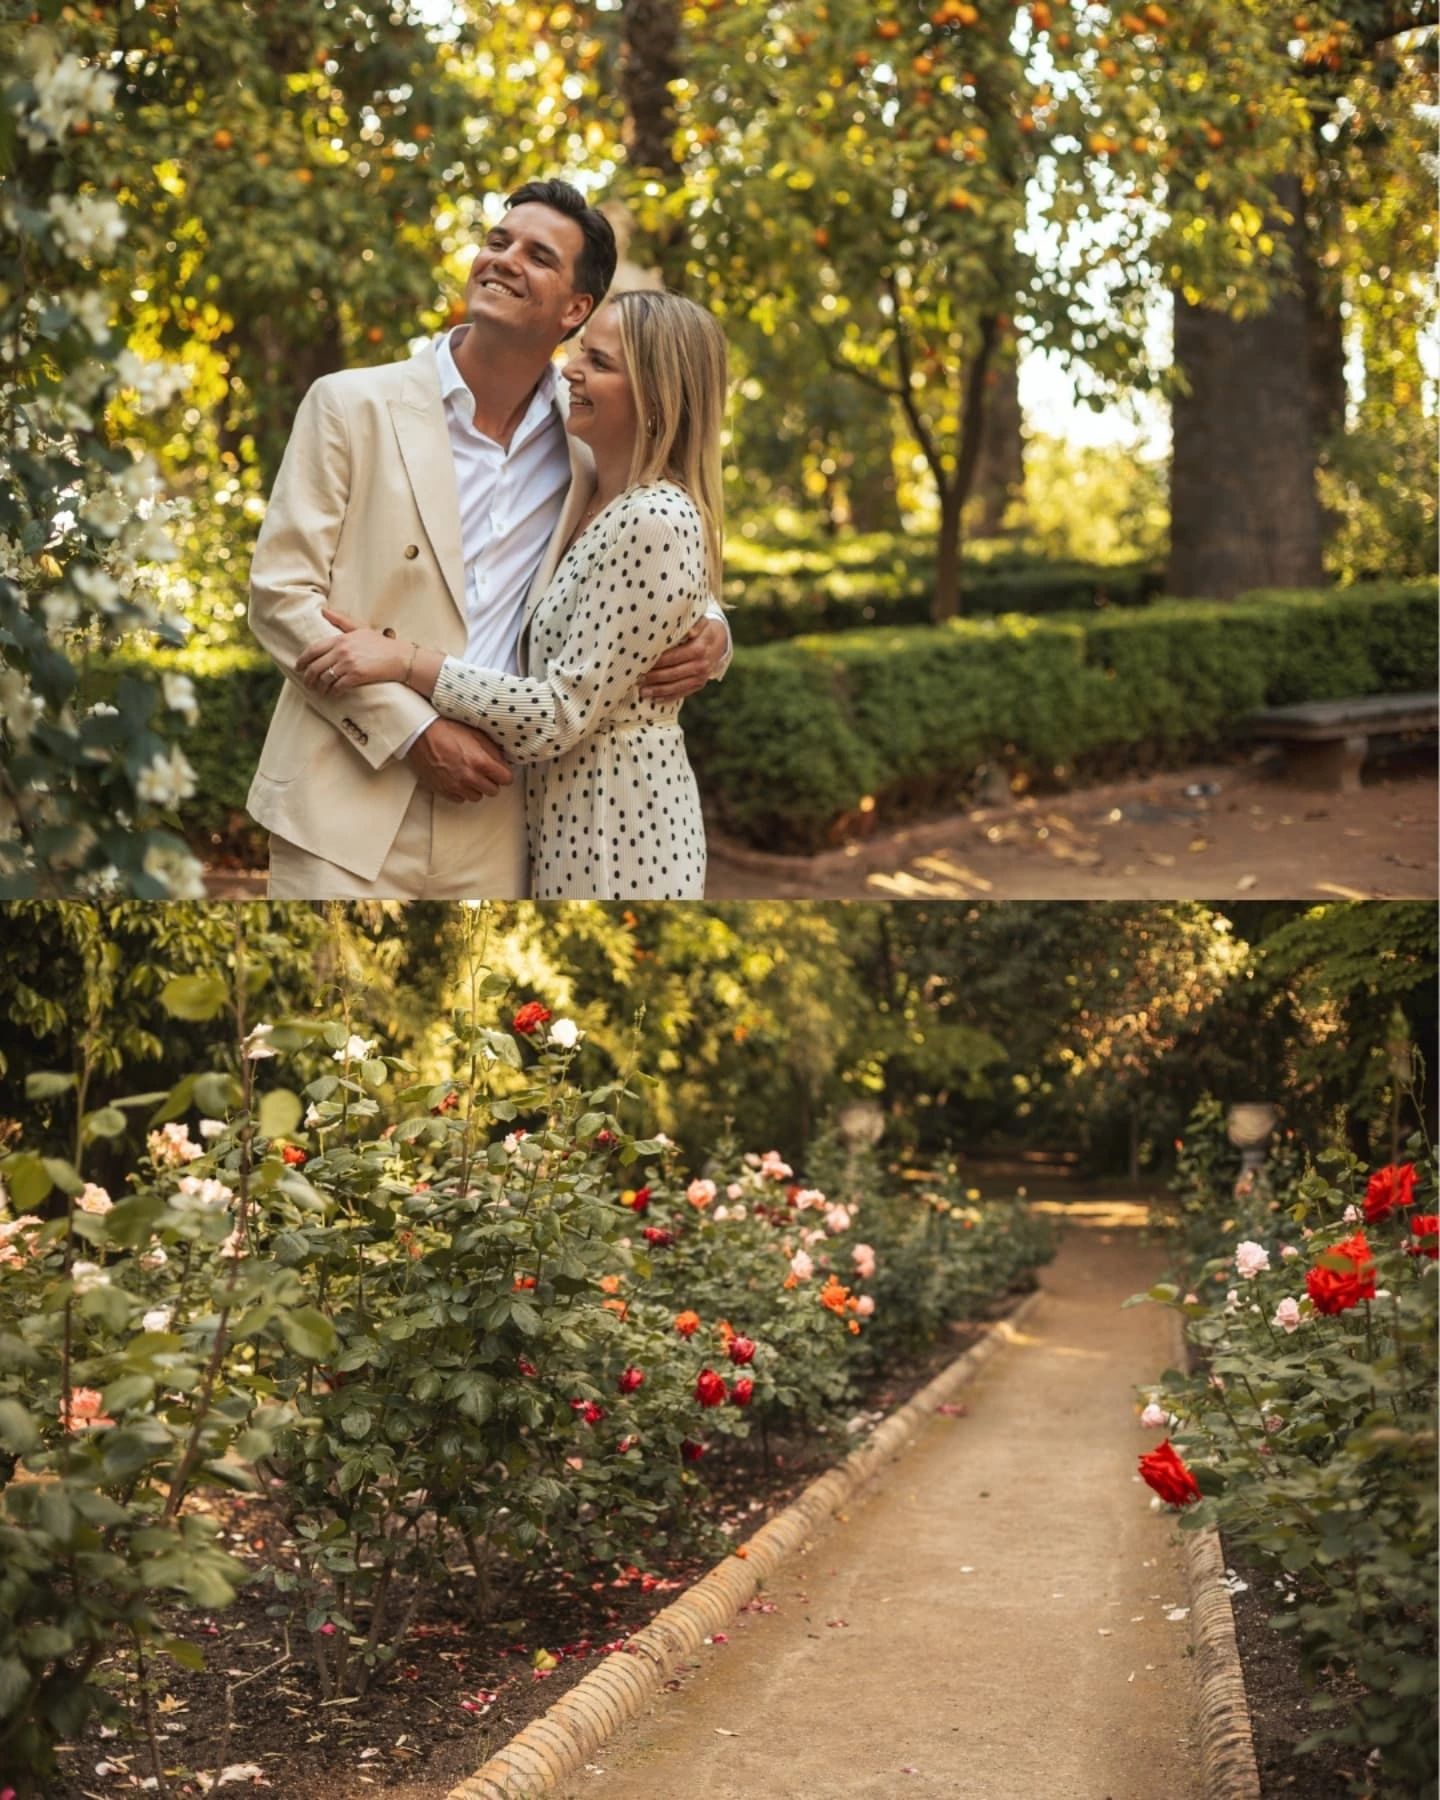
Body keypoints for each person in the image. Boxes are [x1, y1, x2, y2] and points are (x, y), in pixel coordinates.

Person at [246, 179, 730, 899]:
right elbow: (281, 599)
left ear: (576, 309)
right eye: (497, 241)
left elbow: (659, 545)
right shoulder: (351, 404)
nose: (503, 260)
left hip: (502, 818)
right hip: (342, 800)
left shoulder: (591, 435)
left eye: (537, 254)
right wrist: (414, 733)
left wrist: (714, 630)